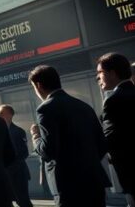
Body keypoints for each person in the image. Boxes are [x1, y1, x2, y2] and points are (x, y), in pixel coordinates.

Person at [27, 65, 109, 207]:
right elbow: (101, 144)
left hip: (68, 186)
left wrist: (36, 137)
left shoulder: (46, 108)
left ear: (38, 85)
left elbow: (48, 150)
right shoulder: (83, 106)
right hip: (94, 180)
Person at [97, 52, 135, 206]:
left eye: (100, 72)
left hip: (132, 172)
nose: (98, 77)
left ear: (112, 73)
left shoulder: (114, 99)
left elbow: (108, 138)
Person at [0, 105, 32, 207]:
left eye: (2, 113)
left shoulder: (19, 131)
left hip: (18, 174)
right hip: (4, 174)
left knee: (23, 201)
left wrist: (9, 166)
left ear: (10, 115)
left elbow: (24, 153)